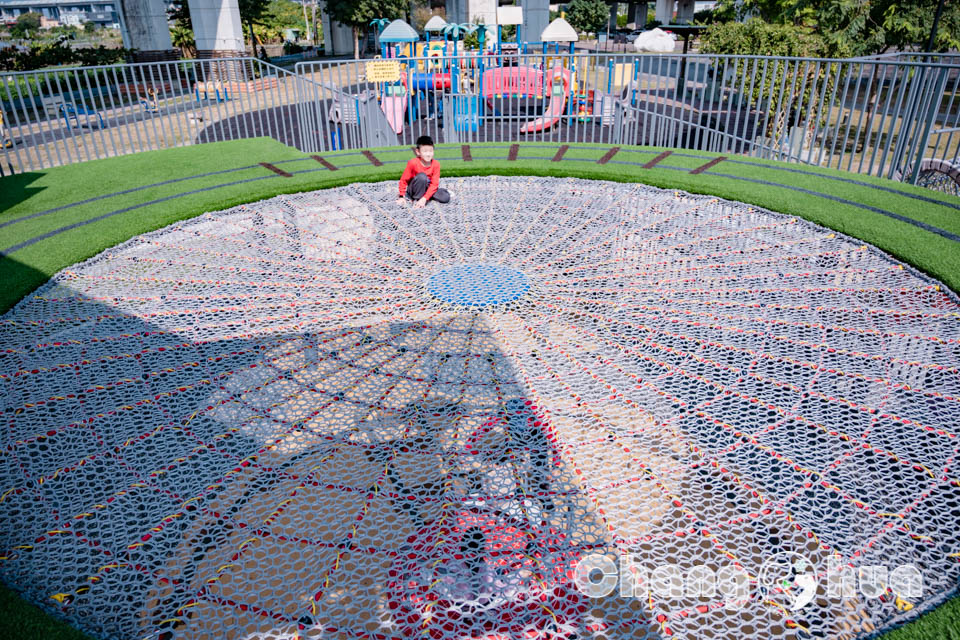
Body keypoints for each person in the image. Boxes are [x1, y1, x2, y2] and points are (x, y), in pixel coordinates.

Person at [396, 135, 450, 208]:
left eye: (430, 151)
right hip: (415, 187)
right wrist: (401, 196)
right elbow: (403, 180)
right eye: (425, 151)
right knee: (422, 177)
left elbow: (434, 184)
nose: (428, 154)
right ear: (418, 152)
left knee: (445, 197)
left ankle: (425, 196)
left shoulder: (436, 164)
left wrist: (425, 198)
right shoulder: (413, 163)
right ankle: (416, 198)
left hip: (427, 186)